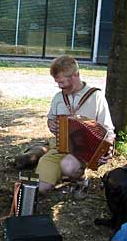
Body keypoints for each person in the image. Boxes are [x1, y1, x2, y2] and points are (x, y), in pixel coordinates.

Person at [35, 56, 115, 195]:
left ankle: (81, 179)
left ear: (75, 75)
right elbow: (51, 120)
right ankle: (62, 173)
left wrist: (107, 149)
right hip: (60, 147)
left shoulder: (95, 97)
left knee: (68, 165)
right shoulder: (58, 98)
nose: (59, 86)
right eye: (57, 82)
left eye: (62, 82)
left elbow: (108, 130)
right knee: (41, 188)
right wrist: (51, 124)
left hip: (84, 151)